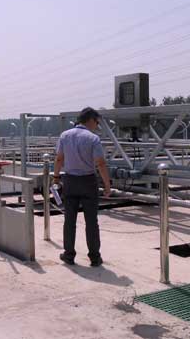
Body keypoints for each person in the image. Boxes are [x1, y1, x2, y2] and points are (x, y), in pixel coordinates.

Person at [53, 107, 111, 267]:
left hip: (70, 181)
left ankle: (69, 255)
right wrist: (107, 184)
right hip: (88, 181)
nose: (97, 125)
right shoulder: (93, 138)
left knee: (69, 220)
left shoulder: (65, 135)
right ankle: (94, 257)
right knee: (91, 221)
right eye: (96, 122)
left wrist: (56, 178)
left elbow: (59, 159)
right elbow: (100, 163)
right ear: (91, 120)